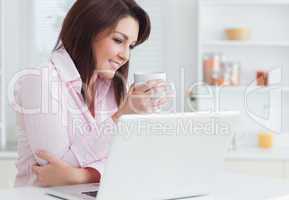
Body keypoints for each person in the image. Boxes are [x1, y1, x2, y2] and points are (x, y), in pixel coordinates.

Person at [13, 0, 166, 187]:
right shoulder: (40, 81)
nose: (125, 55)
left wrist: (82, 176)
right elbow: (54, 169)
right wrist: (121, 116)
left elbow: (129, 160)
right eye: (118, 40)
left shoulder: (111, 88)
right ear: (86, 31)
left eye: (131, 46)